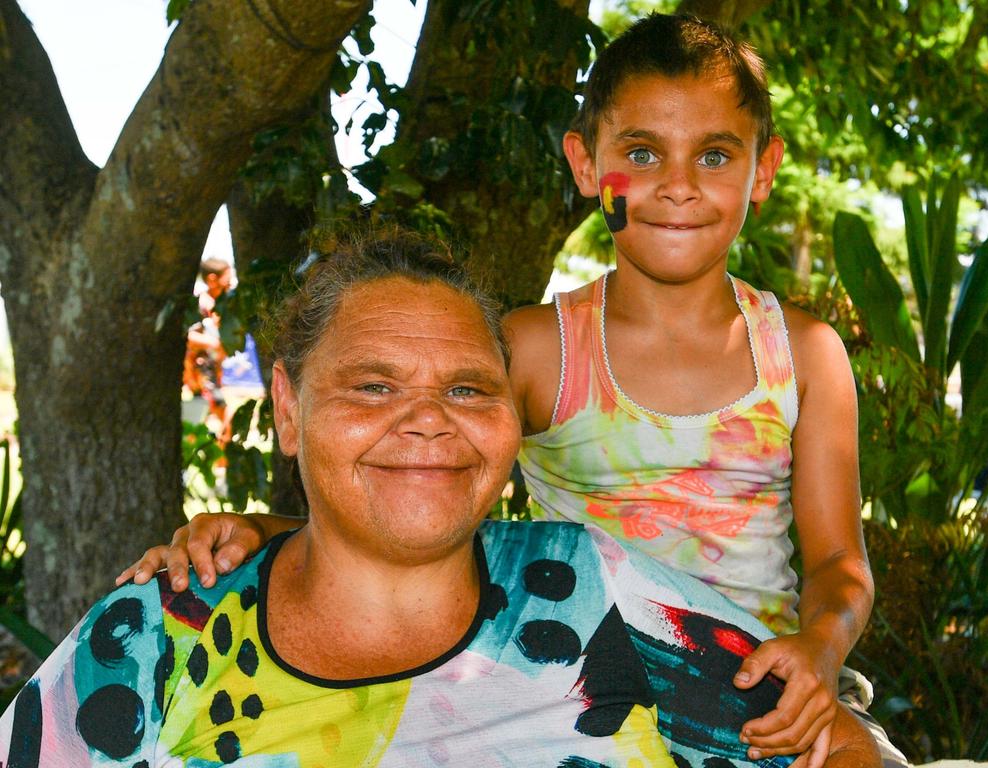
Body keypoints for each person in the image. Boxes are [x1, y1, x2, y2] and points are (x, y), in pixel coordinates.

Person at [119, 13, 908, 768]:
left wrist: (818, 650)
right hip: (577, 691)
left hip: (771, 696)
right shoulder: (539, 349)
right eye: (641, 152)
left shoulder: (803, 353)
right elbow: (427, 501)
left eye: (714, 155)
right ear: (586, 164)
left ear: (762, 170)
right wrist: (259, 532)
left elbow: (841, 560)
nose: (676, 185)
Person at [0, 232, 882, 767]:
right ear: (290, 410)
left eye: (468, 390)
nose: (428, 423)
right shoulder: (164, 630)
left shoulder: (593, 588)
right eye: (374, 387)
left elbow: (837, 743)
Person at [183, 257, 234, 444]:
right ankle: (224, 461)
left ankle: (221, 461)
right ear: (212, 279)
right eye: (226, 279)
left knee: (201, 418)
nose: (230, 283)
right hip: (201, 373)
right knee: (221, 414)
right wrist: (215, 343)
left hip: (214, 372)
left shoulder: (221, 305)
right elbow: (188, 337)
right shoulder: (201, 305)